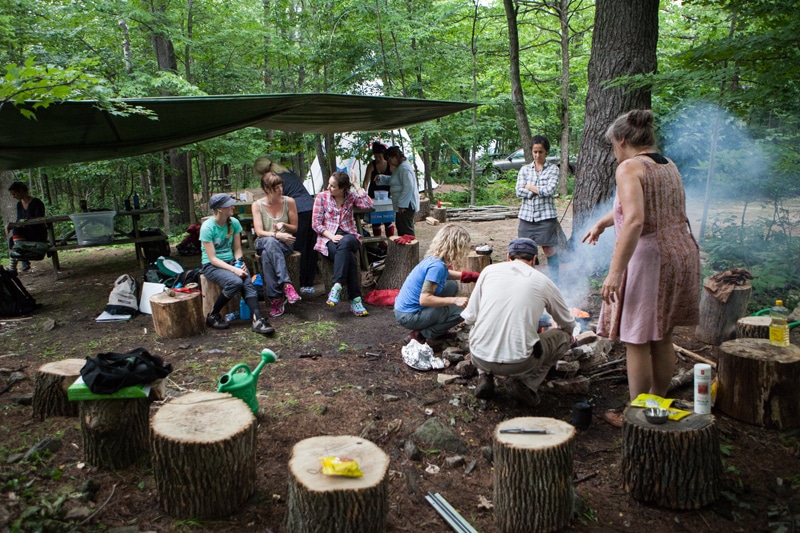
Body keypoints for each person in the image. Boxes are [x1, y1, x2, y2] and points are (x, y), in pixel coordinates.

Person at [582, 109, 700, 426]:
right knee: (661, 336)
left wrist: (615, 273)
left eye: (612, 146)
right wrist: (604, 223)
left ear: (621, 140)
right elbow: (640, 207)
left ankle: (635, 415)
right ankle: (656, 405)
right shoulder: (666, 164)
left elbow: (635, 220)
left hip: (651, 260)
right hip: (681, 253)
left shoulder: (629, 167)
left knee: (636, 338)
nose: (613, 152)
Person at [461, 238, 576, 407]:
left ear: (508, 257)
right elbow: (567, 323)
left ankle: (484, 376)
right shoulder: (543, 281)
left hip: (480, 356)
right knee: (563, 338)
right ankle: (526, 384)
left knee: (478, 325)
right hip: (520, 363)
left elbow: (469, 317)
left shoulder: (488, 271)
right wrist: (569, 335)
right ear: (534, 260)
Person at [201, 193, 275, 335]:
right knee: (235, 282)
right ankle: (213, 315)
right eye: (229, 204)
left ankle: (257, 319)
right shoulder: (207, 227)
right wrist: (234, 270)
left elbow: (237, 249)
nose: (233, 206)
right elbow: (212, 259)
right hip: (211, 266)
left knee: (247, 282)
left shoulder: (234, 222)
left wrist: (239, 262)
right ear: (220, 209)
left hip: (231, 261)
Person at [394, 224, 479, 344]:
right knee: (463, 311)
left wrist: (472, 276)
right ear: (456, 247)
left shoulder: (435, 259)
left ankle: (437, 326)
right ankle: (420, 335)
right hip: (409, 316)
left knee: (451, 286)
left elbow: (445, 273)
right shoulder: (437, 266)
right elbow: (425, 299)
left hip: (404, 310)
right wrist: (455, 300)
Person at [312, 170, 373, 317]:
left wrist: (357, 185)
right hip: (329, 239)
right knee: (349, 257)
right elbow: (315, 224)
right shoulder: (322, 198)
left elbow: (368, 204)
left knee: (346, 242)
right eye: (329, 184)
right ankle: (356, 300)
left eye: (333, 186)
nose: (328, 188)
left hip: (349, 237)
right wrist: (331, 236)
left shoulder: (351, 197)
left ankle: (337, 284)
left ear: (342, 189)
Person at [254, 157, 317, 294]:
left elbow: (280, 203)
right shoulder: (288, 173)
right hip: (311, 207)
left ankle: (299, 283)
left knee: (299, 246)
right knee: (310, 247)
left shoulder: (273, 179)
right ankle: (309, 283)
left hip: (299, 210)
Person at [251, 171, 301, 318]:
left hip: (285, 242)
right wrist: (276, 234)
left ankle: (276, 299)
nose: (280, 190)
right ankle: (287, 285)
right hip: (264, 240)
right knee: (270, 243)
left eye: (281, 186)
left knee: (267, 255)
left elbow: (295, 228)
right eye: (276, 187)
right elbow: (259, 232)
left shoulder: (289, 201)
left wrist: (283, 225)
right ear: (267, 189)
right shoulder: (257, 205)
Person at [515, 135, 563, 285]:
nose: (537, 155)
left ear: (546, 152)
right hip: (526, 217)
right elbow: (518, 191)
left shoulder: (553, 169)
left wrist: (528, 187)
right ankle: (528, 281)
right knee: (524, 250)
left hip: (546, 217)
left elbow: (549, 190)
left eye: (540, 152)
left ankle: (555, 281)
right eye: (535, 152)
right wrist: (534, 190)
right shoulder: (524, 169)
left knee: (549, 249)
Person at [376, 146, 420, 237]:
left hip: (406, 205)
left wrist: (402, 205)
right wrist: (382, 178)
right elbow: (395, 181)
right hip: (402, 205)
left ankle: (410, 250)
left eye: (389, 160)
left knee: (406, 230)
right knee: (401, 228)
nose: (389, 163)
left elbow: (408, 187)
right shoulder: (399, 167)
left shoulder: (404, 168)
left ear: (394, 157)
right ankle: (404, 250)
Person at [7, 181, 46, 273]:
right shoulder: (19, 204)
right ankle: (15, 268)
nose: (13, 196)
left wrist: (26, 222)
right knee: (12, 239)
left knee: (16, 233)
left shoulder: (36, 202)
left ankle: (21, 263)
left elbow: (39, 219)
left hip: (37, 233)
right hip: (25, 234)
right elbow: (19, 219)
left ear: (21, 191)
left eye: (14, 193)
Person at [361, 141, 395, 239]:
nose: (377, 159)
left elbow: (394, 180)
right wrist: (363, 194)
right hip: (373, 195)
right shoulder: (372, 165)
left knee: (387, 218)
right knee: (376, 220)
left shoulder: (390, 165)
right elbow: (366, 181)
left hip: (386, 195)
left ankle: (390, 239)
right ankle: (379, 242)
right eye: (375, 157)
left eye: (379, 156)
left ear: (384, 155)